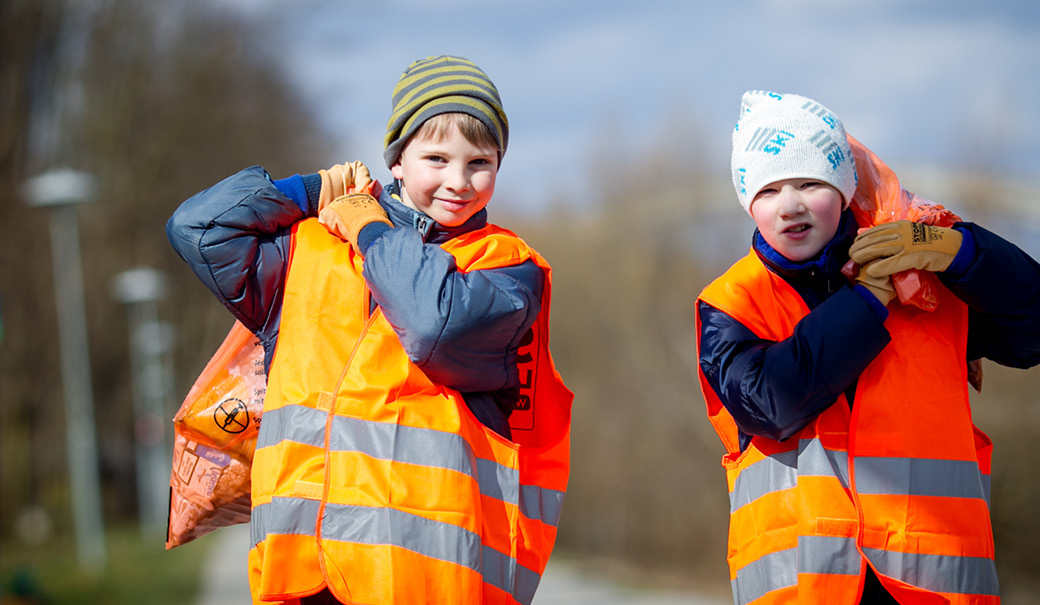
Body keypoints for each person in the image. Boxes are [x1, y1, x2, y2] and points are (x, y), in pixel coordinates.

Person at [167, 55, 572, 605]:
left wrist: (372, 228)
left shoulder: (508, 269)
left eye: (480, 162)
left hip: (418, 582)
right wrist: (308, 191)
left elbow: (431, 325)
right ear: (398, 162)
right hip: (304, 576)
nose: (458, 180)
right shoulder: (311, 248)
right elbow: (197, 228)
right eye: (436, 158)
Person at [695, 90, 1040, 604]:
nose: (789, 206)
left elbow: (1030, 329)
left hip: (936, 583)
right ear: (747, 201)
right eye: (768, 191)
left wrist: (966, 252)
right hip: (804, 588)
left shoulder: (926, 280)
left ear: (842, 188)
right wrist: (867, 301)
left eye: (810, 183)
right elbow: (772, 401)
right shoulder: (732, 301)